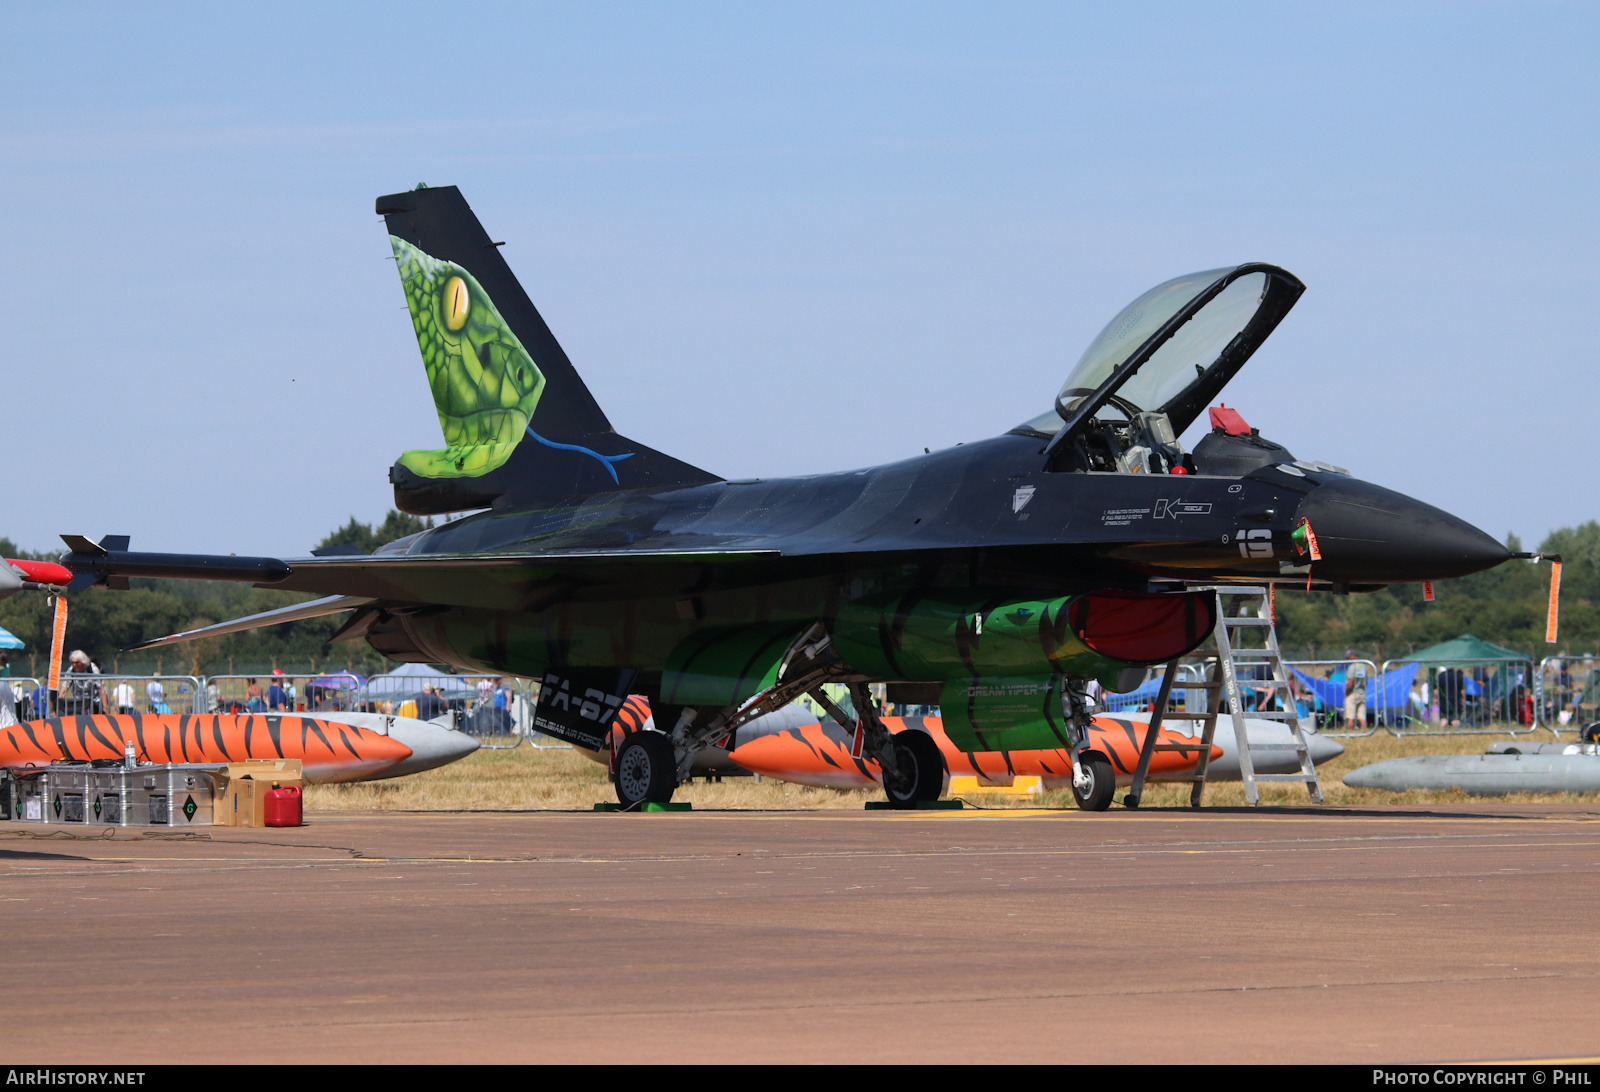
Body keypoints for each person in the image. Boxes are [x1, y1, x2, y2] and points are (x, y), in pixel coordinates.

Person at [1343, 651, 1368, 731]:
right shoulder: (1364, 666)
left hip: (1353, 693)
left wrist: (1347, 692)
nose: (1347, 660)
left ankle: (1350, 732)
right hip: (1362, 693)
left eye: (1348, 657)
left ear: (1354, 656)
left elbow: (1351, 682)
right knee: (1362, 716)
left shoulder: (1352, 667)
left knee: (1350, 715)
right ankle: (1364, 731)